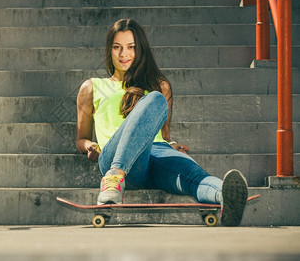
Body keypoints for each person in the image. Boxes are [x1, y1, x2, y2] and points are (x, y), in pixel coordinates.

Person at [75, 19, 249, 226]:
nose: (124, 54)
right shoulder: (92, 87)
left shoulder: (159, 86)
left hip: (158, 153)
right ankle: (115, 176)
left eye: (131, 47)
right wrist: (91, 146)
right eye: (117, 47)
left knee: (193, 176)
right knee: (155, 99)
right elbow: (81, 138)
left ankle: (224, 195)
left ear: (141, 50)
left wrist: (172, 145)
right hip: (116, 156)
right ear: (109, 50)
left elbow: (161, 136)